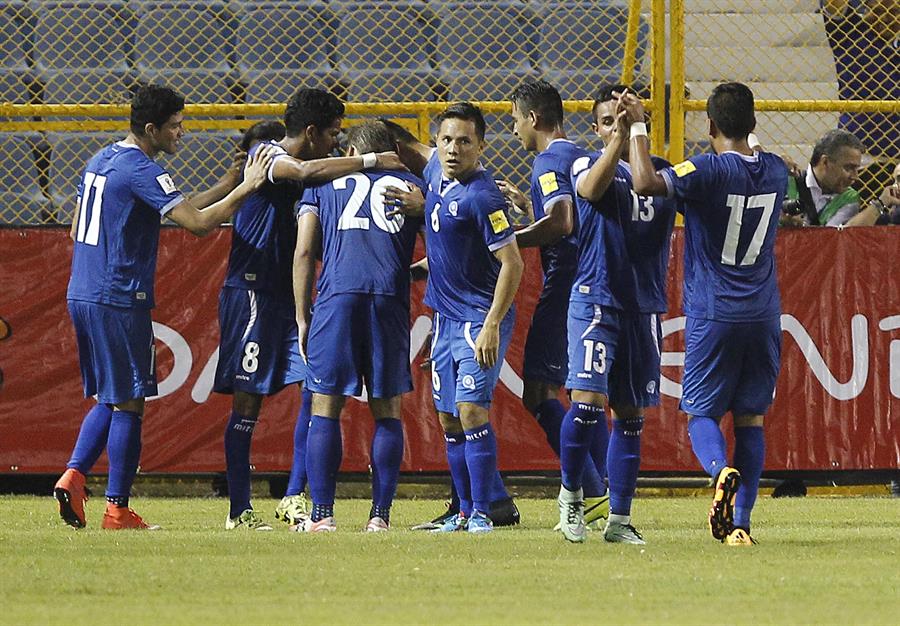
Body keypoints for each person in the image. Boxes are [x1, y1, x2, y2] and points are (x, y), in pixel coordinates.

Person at [53, 84, 275, 530]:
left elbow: (78, 225)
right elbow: (199, 224)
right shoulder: (142, 169)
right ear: (151, 129)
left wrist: (227, 185)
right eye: (175, 126)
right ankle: (116, 509)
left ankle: (74, 475)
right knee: (130, 402)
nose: (182, 133)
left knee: (111, 395)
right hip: (119, 296)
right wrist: (250, 186)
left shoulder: (100, 160)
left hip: (83, 291)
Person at [213, 88, 404, 531]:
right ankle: (239, 510)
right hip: (253, 293)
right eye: (333, 134)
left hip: (289, 296)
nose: (336, 144)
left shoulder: (321, 182)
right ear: (312, 132)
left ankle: (295, 496)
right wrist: (371, 160)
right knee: (248, 401)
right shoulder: (268, 154)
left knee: (315, 391)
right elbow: (303, 170)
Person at [630, 82, 788, 546]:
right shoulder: (777, 170)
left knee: (701, 414)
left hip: (714, 311)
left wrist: (638, 125)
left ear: (710, 125)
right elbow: (755, 152)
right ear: (754, 123)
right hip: (764, 313)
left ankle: (720, 472)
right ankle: (742, 525)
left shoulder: (706, 170)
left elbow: (645, 183)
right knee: (751, 419)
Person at [381, 117, 522, 530]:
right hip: (444, 318)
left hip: (479, 318)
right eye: (446, 140)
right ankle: (461, 511)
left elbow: (513, 263)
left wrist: (492, 324)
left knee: (471, 410)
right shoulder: (435, 173)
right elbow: (413, 150)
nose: (453, 149)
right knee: (448, 417)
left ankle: (483, 512)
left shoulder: (484, 197)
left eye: (464, 141)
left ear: (481, 146)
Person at [554, 85, 677, 544]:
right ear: (596, 128)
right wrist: (620, 138)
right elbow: (589, 190)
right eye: (608, 121)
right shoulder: (585, 163)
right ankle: (571, 496)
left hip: (643, 307)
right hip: (595, 299)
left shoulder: (663, 174)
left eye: (623, 119)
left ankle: (620, 520)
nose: (616, 127)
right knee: (586, 405)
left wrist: (635, 133)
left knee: (630, 415)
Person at [292, 122, 425, 532]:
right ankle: (379, 517)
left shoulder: (323, 183)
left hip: (337, 297)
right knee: (387, 409)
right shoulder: (414, 187)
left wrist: (302, 315)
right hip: (388, 297)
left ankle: (322, 516)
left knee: (325, 405)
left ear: (351, 152)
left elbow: (304, 251)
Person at [503, 79, 610, 529]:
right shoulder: (580, 156)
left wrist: (508, 239)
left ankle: (594, 491)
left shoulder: (547, 161)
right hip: (597, 278)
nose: (514, 131)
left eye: (515, 120)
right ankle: (605, 488)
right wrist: (530, 208)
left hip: (567, 283)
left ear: (533, 118)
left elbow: (562, 222)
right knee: (587, 393)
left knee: (540, 392)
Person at [821, 0, 898, 203]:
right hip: (862, 159)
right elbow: (834, 7)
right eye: (878, 9)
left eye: (894, 10)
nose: (886, 16)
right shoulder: (850, 34)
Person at [783, 129, 886, 226]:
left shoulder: (849, 197)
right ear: (825, 162)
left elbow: (832, 236)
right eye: (848, 168)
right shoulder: (785, 181)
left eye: (856, 169)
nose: (855, 177)